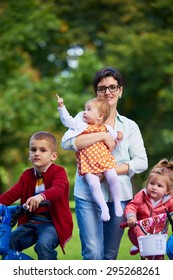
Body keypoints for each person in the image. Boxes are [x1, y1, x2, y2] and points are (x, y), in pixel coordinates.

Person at [61, 66, 148, 260]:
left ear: (120, 91)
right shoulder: (82, 118)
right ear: (96, 93)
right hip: (87, 195)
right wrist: (101, 134)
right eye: (102, 88)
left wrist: (109, 171)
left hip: (121, 196)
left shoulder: (129, 126)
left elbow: (141, 162)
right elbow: (66, 143)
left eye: (112, 87)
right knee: (92, 254)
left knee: (109, 255)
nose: (107, 92)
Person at [0, 131, 73, 260]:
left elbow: (58, 189)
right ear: (29, 154)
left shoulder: (58, 172)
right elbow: (12, 194)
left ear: (53, 156)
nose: (37, 153)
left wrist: (40, 197)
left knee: (43, 245)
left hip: (52, 223)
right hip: (31, 222)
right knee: (8, 241)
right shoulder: (27, 175)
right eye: (33, 150)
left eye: (43, 150)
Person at [57, 95, 123, 221]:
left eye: (88, 109)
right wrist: (61, 107)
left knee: (113, 177)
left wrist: (119, 137)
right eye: (85, 109)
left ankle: (117, 203)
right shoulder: (81, 126)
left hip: (104, 159)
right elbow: (67, 120)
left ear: (100, 116)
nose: (84, 113)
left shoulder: (107, 128)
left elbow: (114, 143)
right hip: (88, 163)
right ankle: (104, 208)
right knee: (93, 184)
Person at [124, 158, 173, 259]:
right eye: (152, 184)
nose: (154, 187)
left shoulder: (169, 200)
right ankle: (140, 245)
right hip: (141, 230)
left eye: (159, 186)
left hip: (158, 234)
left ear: (167, 191)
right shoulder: (142, 195)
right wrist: (131, 216)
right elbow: (132, 205)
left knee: (158, 257)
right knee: (137, 229)